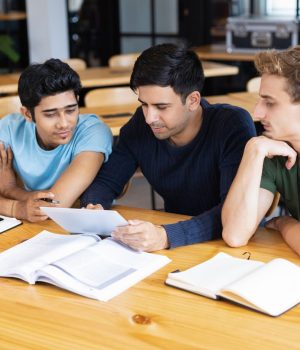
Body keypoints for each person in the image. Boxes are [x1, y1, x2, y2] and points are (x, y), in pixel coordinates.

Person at [81, 43, 256, 252]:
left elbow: (232, 213)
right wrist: (95, 206)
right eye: (144, 104)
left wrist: (165, 236)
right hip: (179, 237)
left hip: (235, 245)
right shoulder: (141, 125)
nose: (149, 118)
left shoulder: (232, 125)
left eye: (161, 107)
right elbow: (107, 180)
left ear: (193, 100)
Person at [0, 58, 112, 222]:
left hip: (82, 224)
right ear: (27, 114)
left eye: (71, 110)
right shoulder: (9, 129)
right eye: (51, 114)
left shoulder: (94, 132)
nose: (64, 123)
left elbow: (53, 207)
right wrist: (17, 208)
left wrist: (10, 191)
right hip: (31, 227)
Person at [222, 46, 300, 255]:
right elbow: (235, 235)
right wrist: (253, 150)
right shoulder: (275, 153)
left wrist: (284, 223)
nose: (257, 112)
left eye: (270, 103)